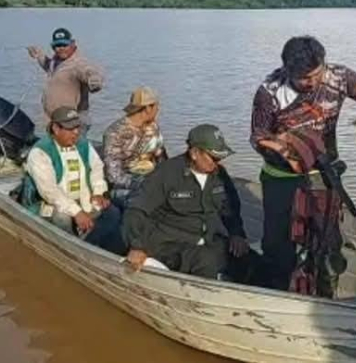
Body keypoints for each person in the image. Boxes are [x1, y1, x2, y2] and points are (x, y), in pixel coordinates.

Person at [249, 35, 356, 291]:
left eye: (316, 74)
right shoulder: (269, 91)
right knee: (278, 245)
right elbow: (257, 137)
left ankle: (325, 294)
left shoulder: (338, 77)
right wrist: (285, 149)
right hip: (280, 178)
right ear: (287, 70)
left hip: (324, 174)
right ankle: (278, 292)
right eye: (304, 78)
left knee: (328, 243)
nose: (312, 82)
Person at [122, 124, 249, 279]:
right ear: (195, 153)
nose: (217, 164)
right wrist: (136, 246)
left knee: (248, 259)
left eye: (221, 158)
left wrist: (237, 234)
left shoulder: (219, 175)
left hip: (207, 239)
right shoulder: (167, 173)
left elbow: (230, 208)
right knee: (206, 261)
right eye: (214, 158)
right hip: (168, 244)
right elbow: (136, 209)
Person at [25, 106, 125, 254]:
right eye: (70, 129)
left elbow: (96, 168)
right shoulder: (40, 152)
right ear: (56, 128)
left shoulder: (83, 144)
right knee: (62, 217)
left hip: (82, 200)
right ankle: (71, 251)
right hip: (49, 204)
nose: (76, 132)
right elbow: (49, 192)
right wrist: (76, 212)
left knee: (113, 213)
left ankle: (92, 244)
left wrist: (99, 191)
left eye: (77, 127)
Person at [28, 27, 105, 133]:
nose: (61, 48)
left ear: (72, 44)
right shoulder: (55, 62)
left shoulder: (78, 64)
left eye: (64, 45)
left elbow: (89, 71)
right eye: (57, 46)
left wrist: (95, 80)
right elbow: (47, 65)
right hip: (56, 121)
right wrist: (38, 54)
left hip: (73, 123)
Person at [102, 86, 168, 208]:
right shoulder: (115, 133)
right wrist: (144, 183)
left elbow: (162, 159)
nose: (158, 110)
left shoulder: (153, 127)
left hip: (152, 180)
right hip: (125, 187)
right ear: (148, 108)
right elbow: (113, 175)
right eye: (157, 107)